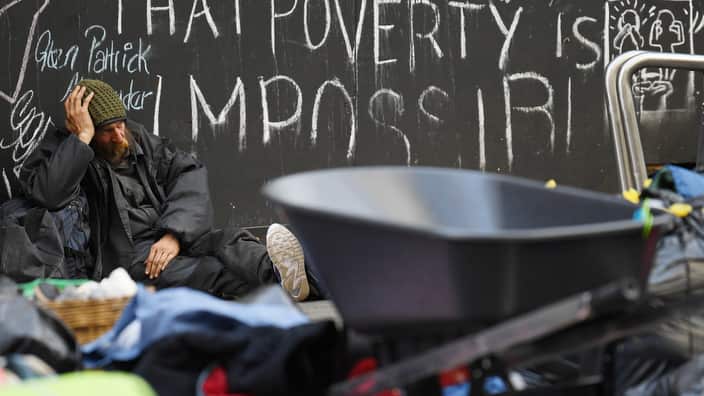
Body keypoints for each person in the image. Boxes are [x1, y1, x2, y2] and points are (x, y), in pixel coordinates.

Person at [19, 79, 312, 301]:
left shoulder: (139, 140)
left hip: (170, 233)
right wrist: (80, 140)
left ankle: (286, 275)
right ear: (89, 131)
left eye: (121, 125)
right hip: (128, 256)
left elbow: (188, 173)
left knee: (231, 242)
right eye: (107, 131)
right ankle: (297, 284)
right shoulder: (63, 150)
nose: (119, 135)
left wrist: (174, 234)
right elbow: (49, 194)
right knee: (209, 271)